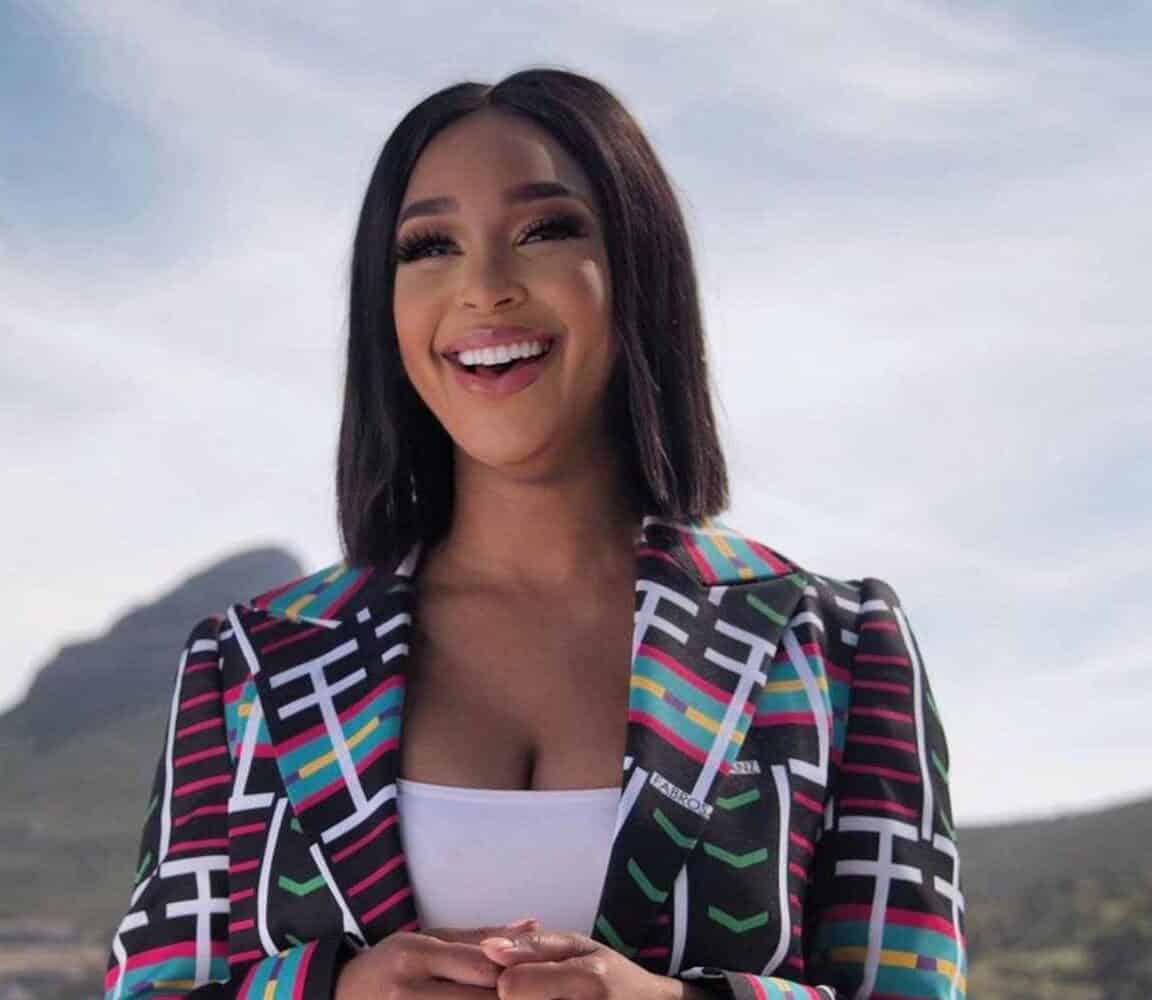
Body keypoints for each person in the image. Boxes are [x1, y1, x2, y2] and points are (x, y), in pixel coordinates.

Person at [102, 68, 967, 999]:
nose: (483, 289)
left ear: (639, 268)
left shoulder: (837, 647)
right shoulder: (250, 662)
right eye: (429, 246)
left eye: (544, 231)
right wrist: (332, 993)